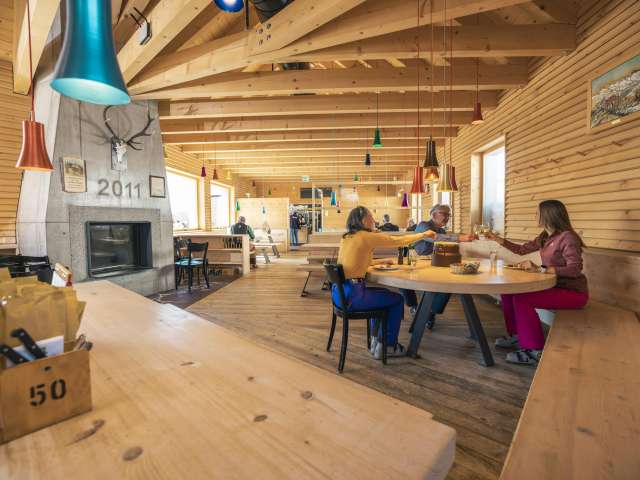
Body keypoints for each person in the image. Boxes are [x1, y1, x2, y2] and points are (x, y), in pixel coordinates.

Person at [486, 200, 588, 366]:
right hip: (553, 287)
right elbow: (521, 250)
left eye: (537, 213)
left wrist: (541, 269)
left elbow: (574, 269)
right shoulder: (545, 237)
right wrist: (497, 239)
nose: (535, 216)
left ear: (548, 215)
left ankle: (533, 351)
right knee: (508, 292)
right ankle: (517, 335)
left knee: (522, 300)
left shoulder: (568, 237)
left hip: (573, 292)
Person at [334, 206, 437, 359]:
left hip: (340, 294)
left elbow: (361, 262)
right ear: (363, 220)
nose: (373, 219)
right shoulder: (366, 236)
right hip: (354, 297)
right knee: (397, 300)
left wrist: (382, 261)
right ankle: (388, 347)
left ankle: (377, 343)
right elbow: (397, 241)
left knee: (385, 295)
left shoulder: (347, 237)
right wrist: (424, 234)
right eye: (370, 216)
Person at [401, 204, 475, 325]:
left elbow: (444, 246)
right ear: (434, 214)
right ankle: (414, 306)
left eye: (449, 215)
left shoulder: (442, 230)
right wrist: (460, 238)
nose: (447, 217)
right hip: (417, 262)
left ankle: (431, 312)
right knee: (402, 279)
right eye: (444, 214)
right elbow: (435, 238)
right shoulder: (423, 225)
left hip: (434, 263)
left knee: (448, 282)